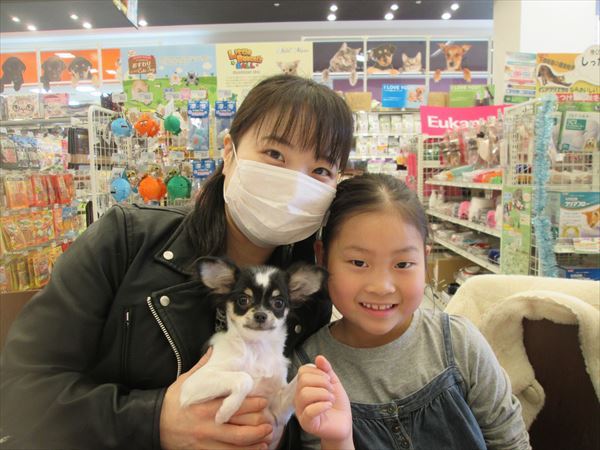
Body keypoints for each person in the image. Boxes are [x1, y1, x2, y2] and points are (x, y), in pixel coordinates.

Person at [0, 74, 354, 450]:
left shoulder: (308, 298)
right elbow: (17, 391)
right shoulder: (125, 241)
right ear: (229, 152)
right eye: (275, 155)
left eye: (320, 170)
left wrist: (278, 430)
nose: (293, 183)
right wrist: (155, 419)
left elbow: (302, 417)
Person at [292, 173, 531, 450]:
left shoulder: (459, 343)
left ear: (425, 260)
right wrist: (337, 440)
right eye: (358, 262)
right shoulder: (307, 371)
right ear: (323, 258)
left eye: (403, 264)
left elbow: (510, 442)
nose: (381, 287)